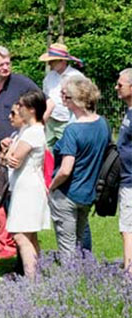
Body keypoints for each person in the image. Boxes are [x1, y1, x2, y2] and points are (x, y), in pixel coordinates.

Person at [0, 45, 40, 259]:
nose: (6, 67)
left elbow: (45, 103)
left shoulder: (21, 83)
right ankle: (12, 248)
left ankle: (23, 258)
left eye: (8, 62)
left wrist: (29, 130)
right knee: (2, 200)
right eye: (1, 64)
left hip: (18, 149)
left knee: (17, 206)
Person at [49, 77, 110, 257]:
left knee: (67, 248)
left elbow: (66, 169)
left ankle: (70, 282)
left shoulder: (73, 130)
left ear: (76, 100)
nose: (62, 99)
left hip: (67, 194)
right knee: (80, 244)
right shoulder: (103, 124)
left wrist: (51, 187)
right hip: (88, 194)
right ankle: (84, 278)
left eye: (65, 96)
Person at [5, 90, 51, 277]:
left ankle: (31, 278)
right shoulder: (29, 131)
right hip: (26, 185)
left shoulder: (32, 132)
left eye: (22, 106)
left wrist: (9, 153)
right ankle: (36, 276)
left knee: (21, 235)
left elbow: (14, 159)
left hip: (27, 187)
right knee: (29, 234)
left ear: (31, 110)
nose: (19, 109)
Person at [39, 43, 83, 148]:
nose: (49, 64)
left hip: (68, 121)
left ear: (62, 61)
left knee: (67, 150)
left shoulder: (76, 77)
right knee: (46, 151)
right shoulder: (49, 77)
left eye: (52, 61)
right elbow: (45, 98)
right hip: (50, 121)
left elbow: (83, 101)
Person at [116, 68, 132, 269]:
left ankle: (129, 277)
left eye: (120, 84)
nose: (116, 88)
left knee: (128, 229)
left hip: (130, 180)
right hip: (125, 177)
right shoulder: (129, 111)